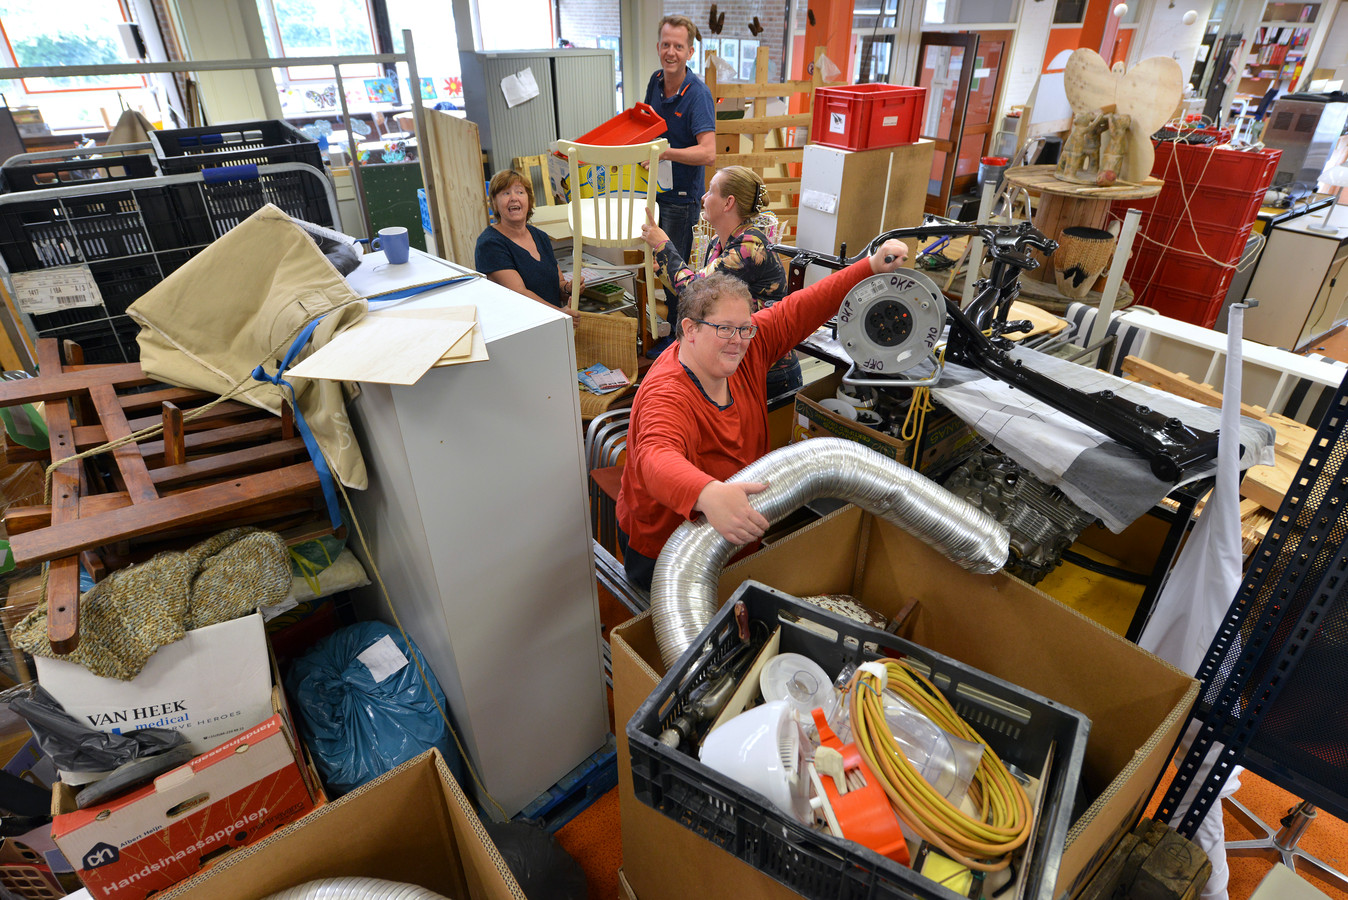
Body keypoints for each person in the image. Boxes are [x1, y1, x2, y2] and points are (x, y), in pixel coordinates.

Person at [615, 237, 911, 590]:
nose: (738, 339)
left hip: (733, 534)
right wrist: (707, 493)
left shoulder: (746, 345)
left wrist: (870, 266)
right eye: (724, 328)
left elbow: (803, 307)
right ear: (690, 330)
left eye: (745, 328)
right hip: (667, 552)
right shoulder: (667, 392)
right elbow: (655, 457)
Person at [641, 165, 801, 395]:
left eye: (710, 191)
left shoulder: (749, 246)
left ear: (728, 203)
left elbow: (698, 290)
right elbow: (702, 299)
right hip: (743, 362)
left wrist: (663, 245)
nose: (704, 197)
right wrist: (664, 270)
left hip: (771, 372)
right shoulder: (719, 242)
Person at [644, 14, 716, 350]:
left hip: (683, 199)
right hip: (656, 190)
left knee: (676, 272)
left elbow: (708, 153)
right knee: (660, 266)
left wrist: (666, 154)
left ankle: (679, 347)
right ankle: (674, 339)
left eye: (678, 46)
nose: (670, 52)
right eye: (666, 44)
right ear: (658, 46)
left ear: (689, 52)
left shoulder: (697, 94)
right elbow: (646, 128)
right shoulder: (656, 81)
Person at [475, 169, 581, 319]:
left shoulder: (541, 237)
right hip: (521, 329)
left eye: (519, 192)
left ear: (529, 201)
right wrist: (559, 313)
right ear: (495, 203)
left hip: (552, 324)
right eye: (505, 193)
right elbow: (520, 294)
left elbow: (558, 285)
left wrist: (569, 289)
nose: (513, 198)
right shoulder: (490, 244)